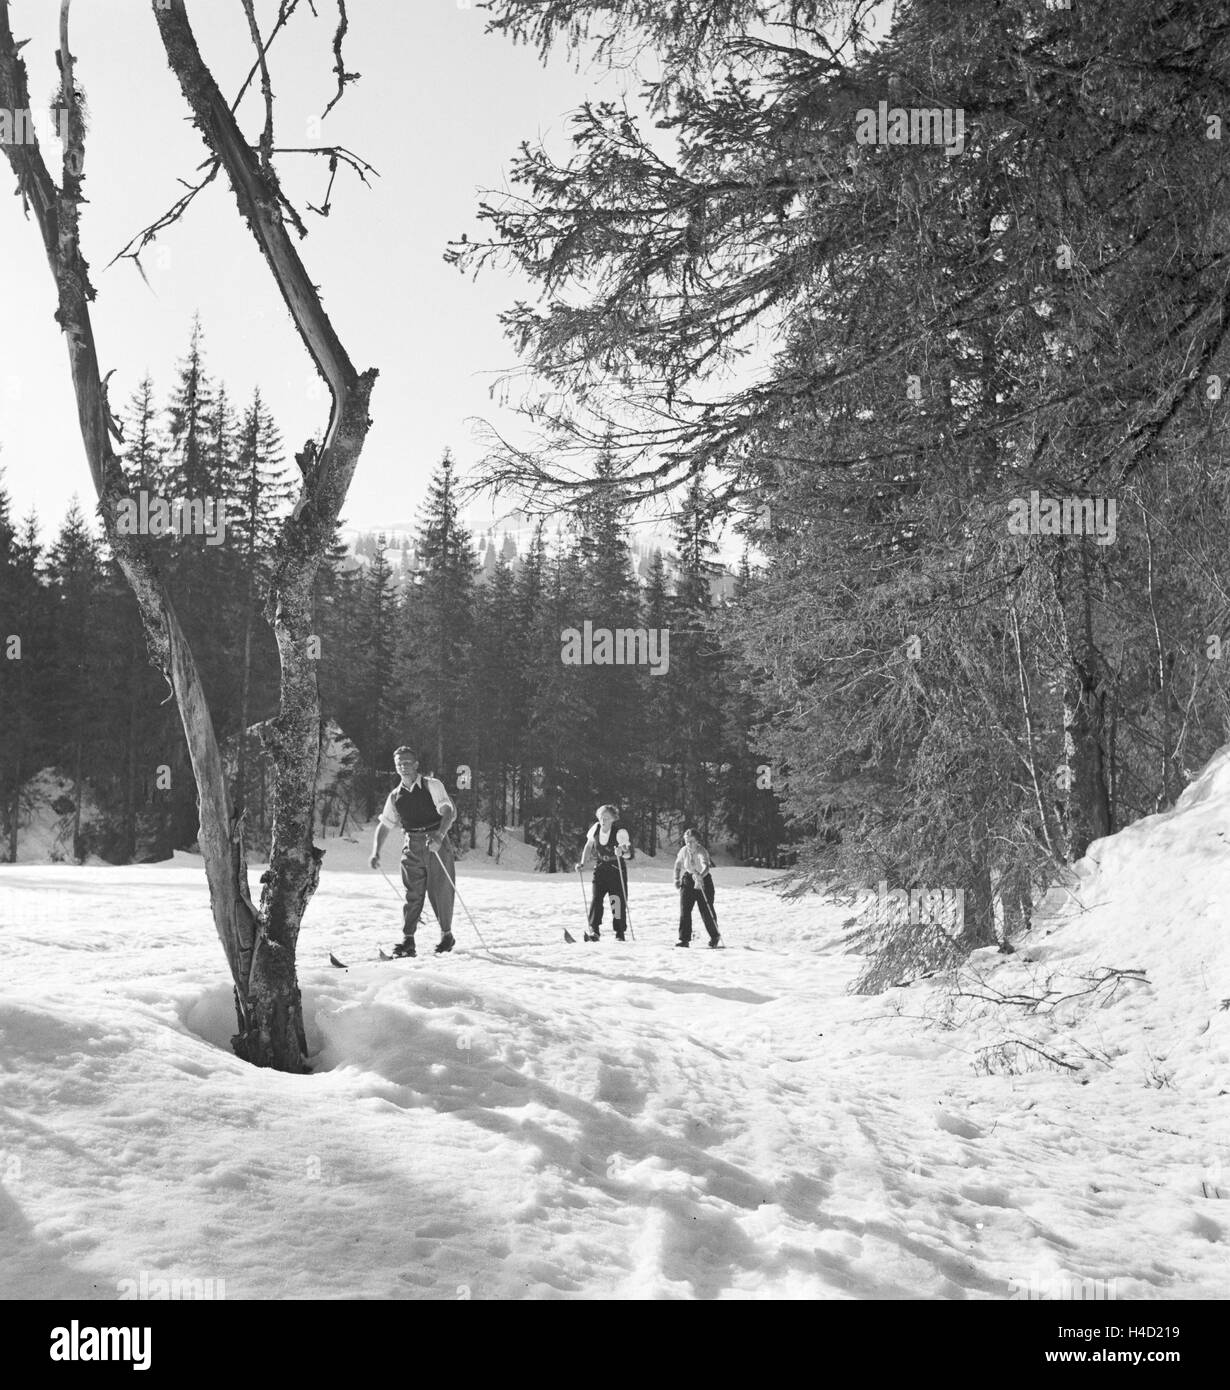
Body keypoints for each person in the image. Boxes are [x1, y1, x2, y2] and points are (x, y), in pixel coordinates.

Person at [370, 745, 457, 957]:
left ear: (416, 764)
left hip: (435, 841)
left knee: (440, 891)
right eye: (399, 764)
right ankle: (408, 940)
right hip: (411, 845)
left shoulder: (431, 785)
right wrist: (376, 852)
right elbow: (385, 824)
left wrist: (439, 836)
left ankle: (446, 935)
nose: (403, 767)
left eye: (407, 763)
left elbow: (449, 811)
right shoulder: (395, 796)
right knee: (413, 894)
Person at [576, 803, 634, 941]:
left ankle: (620, 933)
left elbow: (629, 854)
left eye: (607, 818)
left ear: (613, 819)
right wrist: (583, 862)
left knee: (617, 901)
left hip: (616, 869)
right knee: (596, 899)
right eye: (601, 817)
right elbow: (588, 846)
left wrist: (622, 852)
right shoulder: (595, 829)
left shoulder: (620, 832)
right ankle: (594, 931)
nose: (603, 820)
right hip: (601, 867)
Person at [674, 827, 720, 948]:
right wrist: (676, 879)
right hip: (689, 879)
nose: (689, 844)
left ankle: (715, 936)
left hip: (703, 880)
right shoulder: (683, 851)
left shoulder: (702, 851)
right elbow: (678, 865)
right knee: (685, 910)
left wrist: (700, 875)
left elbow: (705, 865)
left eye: (691, 841)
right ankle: (684, 939)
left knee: (706, 910)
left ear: (697, 841)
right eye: (687, 841)